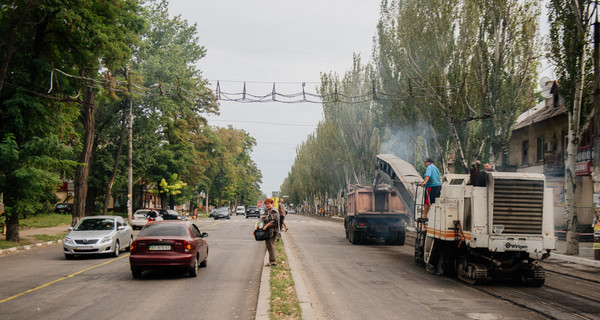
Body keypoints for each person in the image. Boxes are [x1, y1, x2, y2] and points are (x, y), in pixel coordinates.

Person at [261, 198, 280, 267]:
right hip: (268, 231)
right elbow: (268, 218)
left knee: (271, 245)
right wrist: (264, 218)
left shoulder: (273, 210)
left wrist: (266, 225)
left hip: (273, 230)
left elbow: (274, 221)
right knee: (268, 245)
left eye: (268, 204)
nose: (267, 205)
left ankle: (273, 261)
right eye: (266, 204)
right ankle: (271, 261)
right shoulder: (268, 211)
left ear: (272, 204)